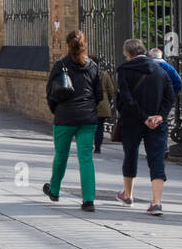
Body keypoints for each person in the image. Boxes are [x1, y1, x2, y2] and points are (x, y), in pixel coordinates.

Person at [43, 29, 103, 213]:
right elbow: (99, 94)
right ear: (84, 44)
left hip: (65, 117)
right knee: (86, 158)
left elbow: (50, 93)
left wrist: (57, 111)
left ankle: (54, 190)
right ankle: (88, 200)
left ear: (67, 45)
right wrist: (90, 108)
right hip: (87, 118)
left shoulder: (60, 65)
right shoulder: (92, 66)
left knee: (61, 155)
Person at [116, 38, 175, 216]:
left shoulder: (125, 71)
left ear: (128, 54)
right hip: (157, 123)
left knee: (130, 155)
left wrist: (143, 118)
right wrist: (160, 116)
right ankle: (156, 202)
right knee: (157, 160)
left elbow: (126, 98)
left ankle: (128, 195)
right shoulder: (160, 70)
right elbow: (170, 96)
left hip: (133, 121)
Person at [93, 66, 116, 156]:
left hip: (88, 103)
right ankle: (98, 147)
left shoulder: (85, 72)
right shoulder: (104, 74)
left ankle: (89, 145)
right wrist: (108, 99)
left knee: (88, 127)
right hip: (102, 103)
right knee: (99, 127)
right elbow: (111, 90)